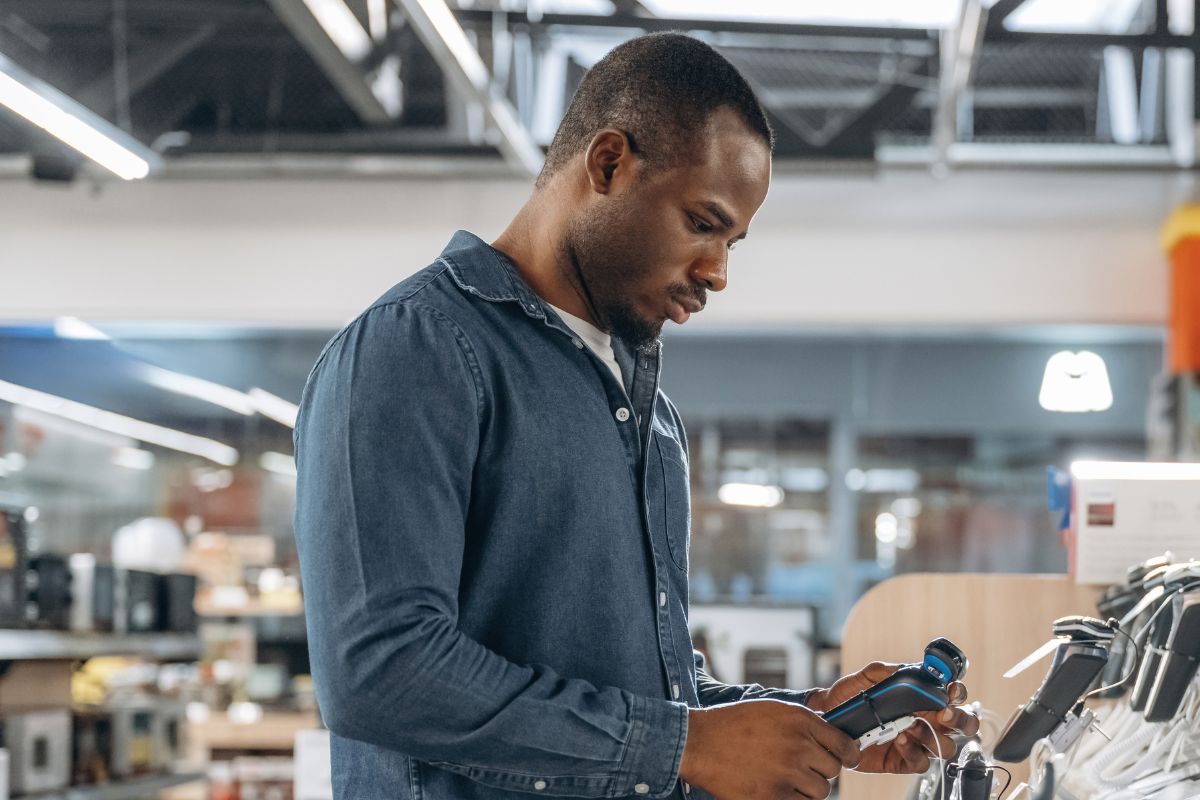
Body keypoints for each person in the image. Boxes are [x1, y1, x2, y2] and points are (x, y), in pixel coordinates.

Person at [293, 32, 978, 800]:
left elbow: (651, 698)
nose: (719, 271)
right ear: (609, 163)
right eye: (703, 222)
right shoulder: (417, 350)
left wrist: (807, 720)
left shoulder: (650, 420)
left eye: (733, 241)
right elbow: (381, 673)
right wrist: (686, 745)